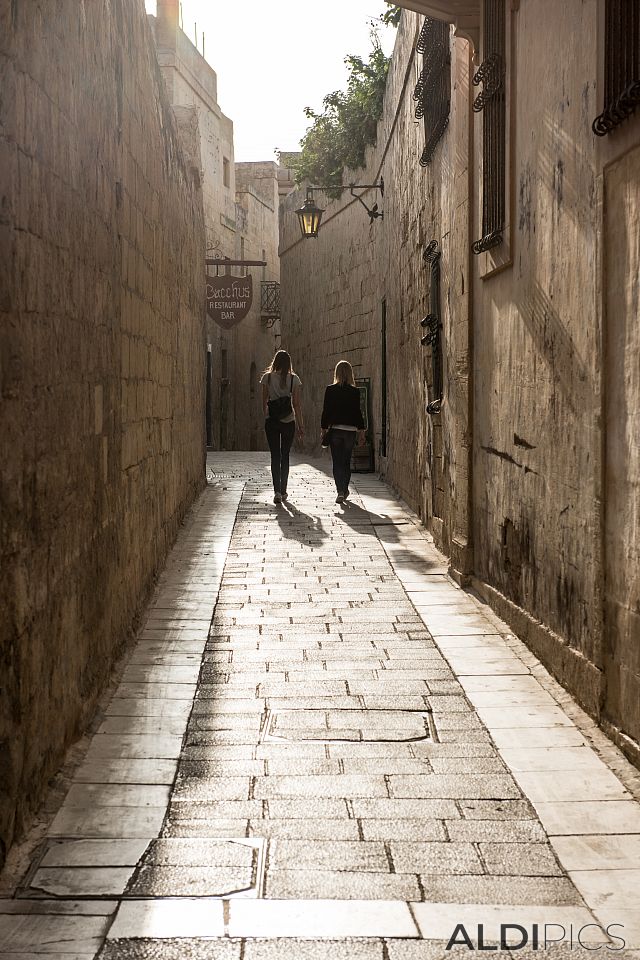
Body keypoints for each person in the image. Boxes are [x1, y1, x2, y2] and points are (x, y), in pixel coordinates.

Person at [260, 350, 303, 504]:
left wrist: (267, 416)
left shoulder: (267, 378)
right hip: (288, 421)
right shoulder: (294, 379)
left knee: (274, 456)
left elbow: (264, 401)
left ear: (275, 361)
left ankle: (276, 491)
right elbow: (296, 404)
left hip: (271, 421)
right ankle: (284, 490)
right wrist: (301, 425)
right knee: (285, 456)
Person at [321, 360, 365, 504]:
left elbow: (326, 411)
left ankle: (340, 491)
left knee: (337, 462)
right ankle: (344, 489)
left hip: (335, 430)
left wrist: (323, 428)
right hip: (350, 431)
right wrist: (362, 431)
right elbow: (358, 413)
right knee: (346, 462)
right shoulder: (354, 391)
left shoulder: (330, 390)